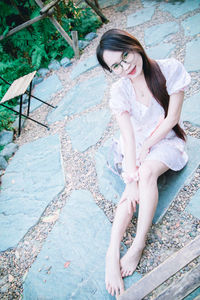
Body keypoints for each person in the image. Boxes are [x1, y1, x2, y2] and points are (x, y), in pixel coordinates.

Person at [96, 29, 191, 298]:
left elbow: (172, 119)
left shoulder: (170, 69)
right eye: (115, 65)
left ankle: (138, 244)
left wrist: (145, 152)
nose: (125, 67)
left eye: (125, 55)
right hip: (135, 146)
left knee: (147, 172)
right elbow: (127, 136)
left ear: (134, 45)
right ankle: (112, 252)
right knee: (132, 186)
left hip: (165, 140)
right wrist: (130, 170)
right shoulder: (120, 91)